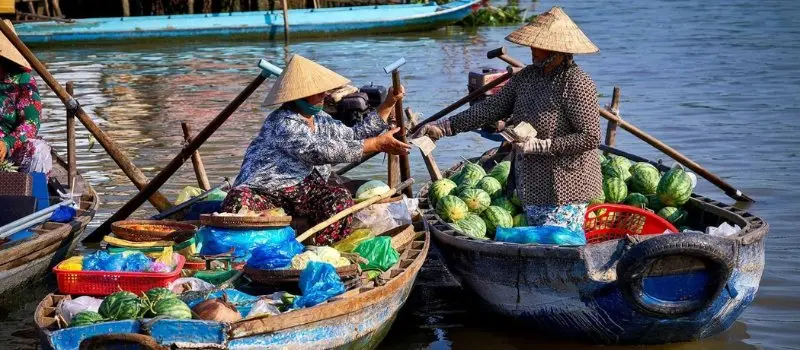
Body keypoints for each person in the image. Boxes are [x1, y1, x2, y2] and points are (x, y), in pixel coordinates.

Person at [414, 7, 603, 233]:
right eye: (533, 44)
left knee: (558, 243)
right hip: (532, 180)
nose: (533, 50)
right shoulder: (526, 78)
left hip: (567, 185)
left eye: (540, 46)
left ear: (558, 51)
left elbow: (590, 137)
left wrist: (543, 145)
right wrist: (445, 127)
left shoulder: (577, 84)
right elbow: (490, 108)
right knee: (537, 241)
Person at [223, 54, 410, 245]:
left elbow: (356, 135)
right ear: (300, 96)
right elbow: (320, 151)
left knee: (339, 199)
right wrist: (377, 144)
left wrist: (389, 103)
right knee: (237, 202)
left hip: (301, 192)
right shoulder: (282, 122)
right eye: (318, 92)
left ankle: (315, 248)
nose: (325, 95)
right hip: (264, 191)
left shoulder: (321, 119)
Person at [0, 20, 50, 175]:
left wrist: (6, 144)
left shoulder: (22, 80)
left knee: (38, 151)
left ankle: (34, 197)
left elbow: (31, 123)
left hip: (9, 151)